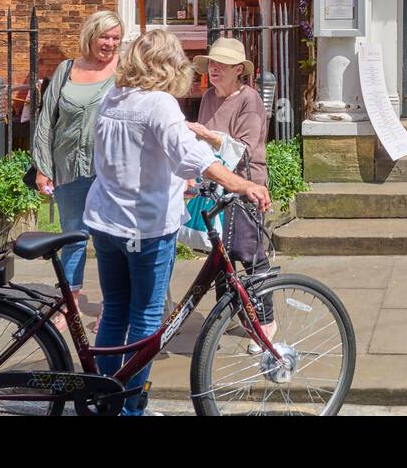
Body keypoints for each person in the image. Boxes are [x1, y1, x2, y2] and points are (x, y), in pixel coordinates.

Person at [83, 28, 269, 416]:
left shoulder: (113, 96)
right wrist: (244, 184)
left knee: (115, 308)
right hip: (145, 225)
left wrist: (175, 174)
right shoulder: (160, 104)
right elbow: (193, 159)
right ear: (167, 65)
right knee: (147, 316)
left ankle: (105, 399)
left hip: (105, 221)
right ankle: (131, 406)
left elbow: (129, 155)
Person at [30, 10, 123, 326]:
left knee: (111, 238)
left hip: (109, 169)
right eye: (104, 36)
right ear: (90, 36)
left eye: (115, 38)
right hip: (68, 166)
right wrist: (43, 167)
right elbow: (46, 121)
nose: (109, 44)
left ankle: (112, 305)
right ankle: (68, 301)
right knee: (73, 234)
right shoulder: (66, 69)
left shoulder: (124, 72)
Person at [187, 37, 273, 341]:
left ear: (238, 69)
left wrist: (209, 137)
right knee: (221, 258)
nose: (214, 69)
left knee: (250, 254)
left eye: (221, 65)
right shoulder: (209, 96)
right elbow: (202, 146)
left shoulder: (249, 99)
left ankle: (266, 323)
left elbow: (247, 150)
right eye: (211, 63)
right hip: (215, 184)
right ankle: (228, 316)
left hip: (246, 185)